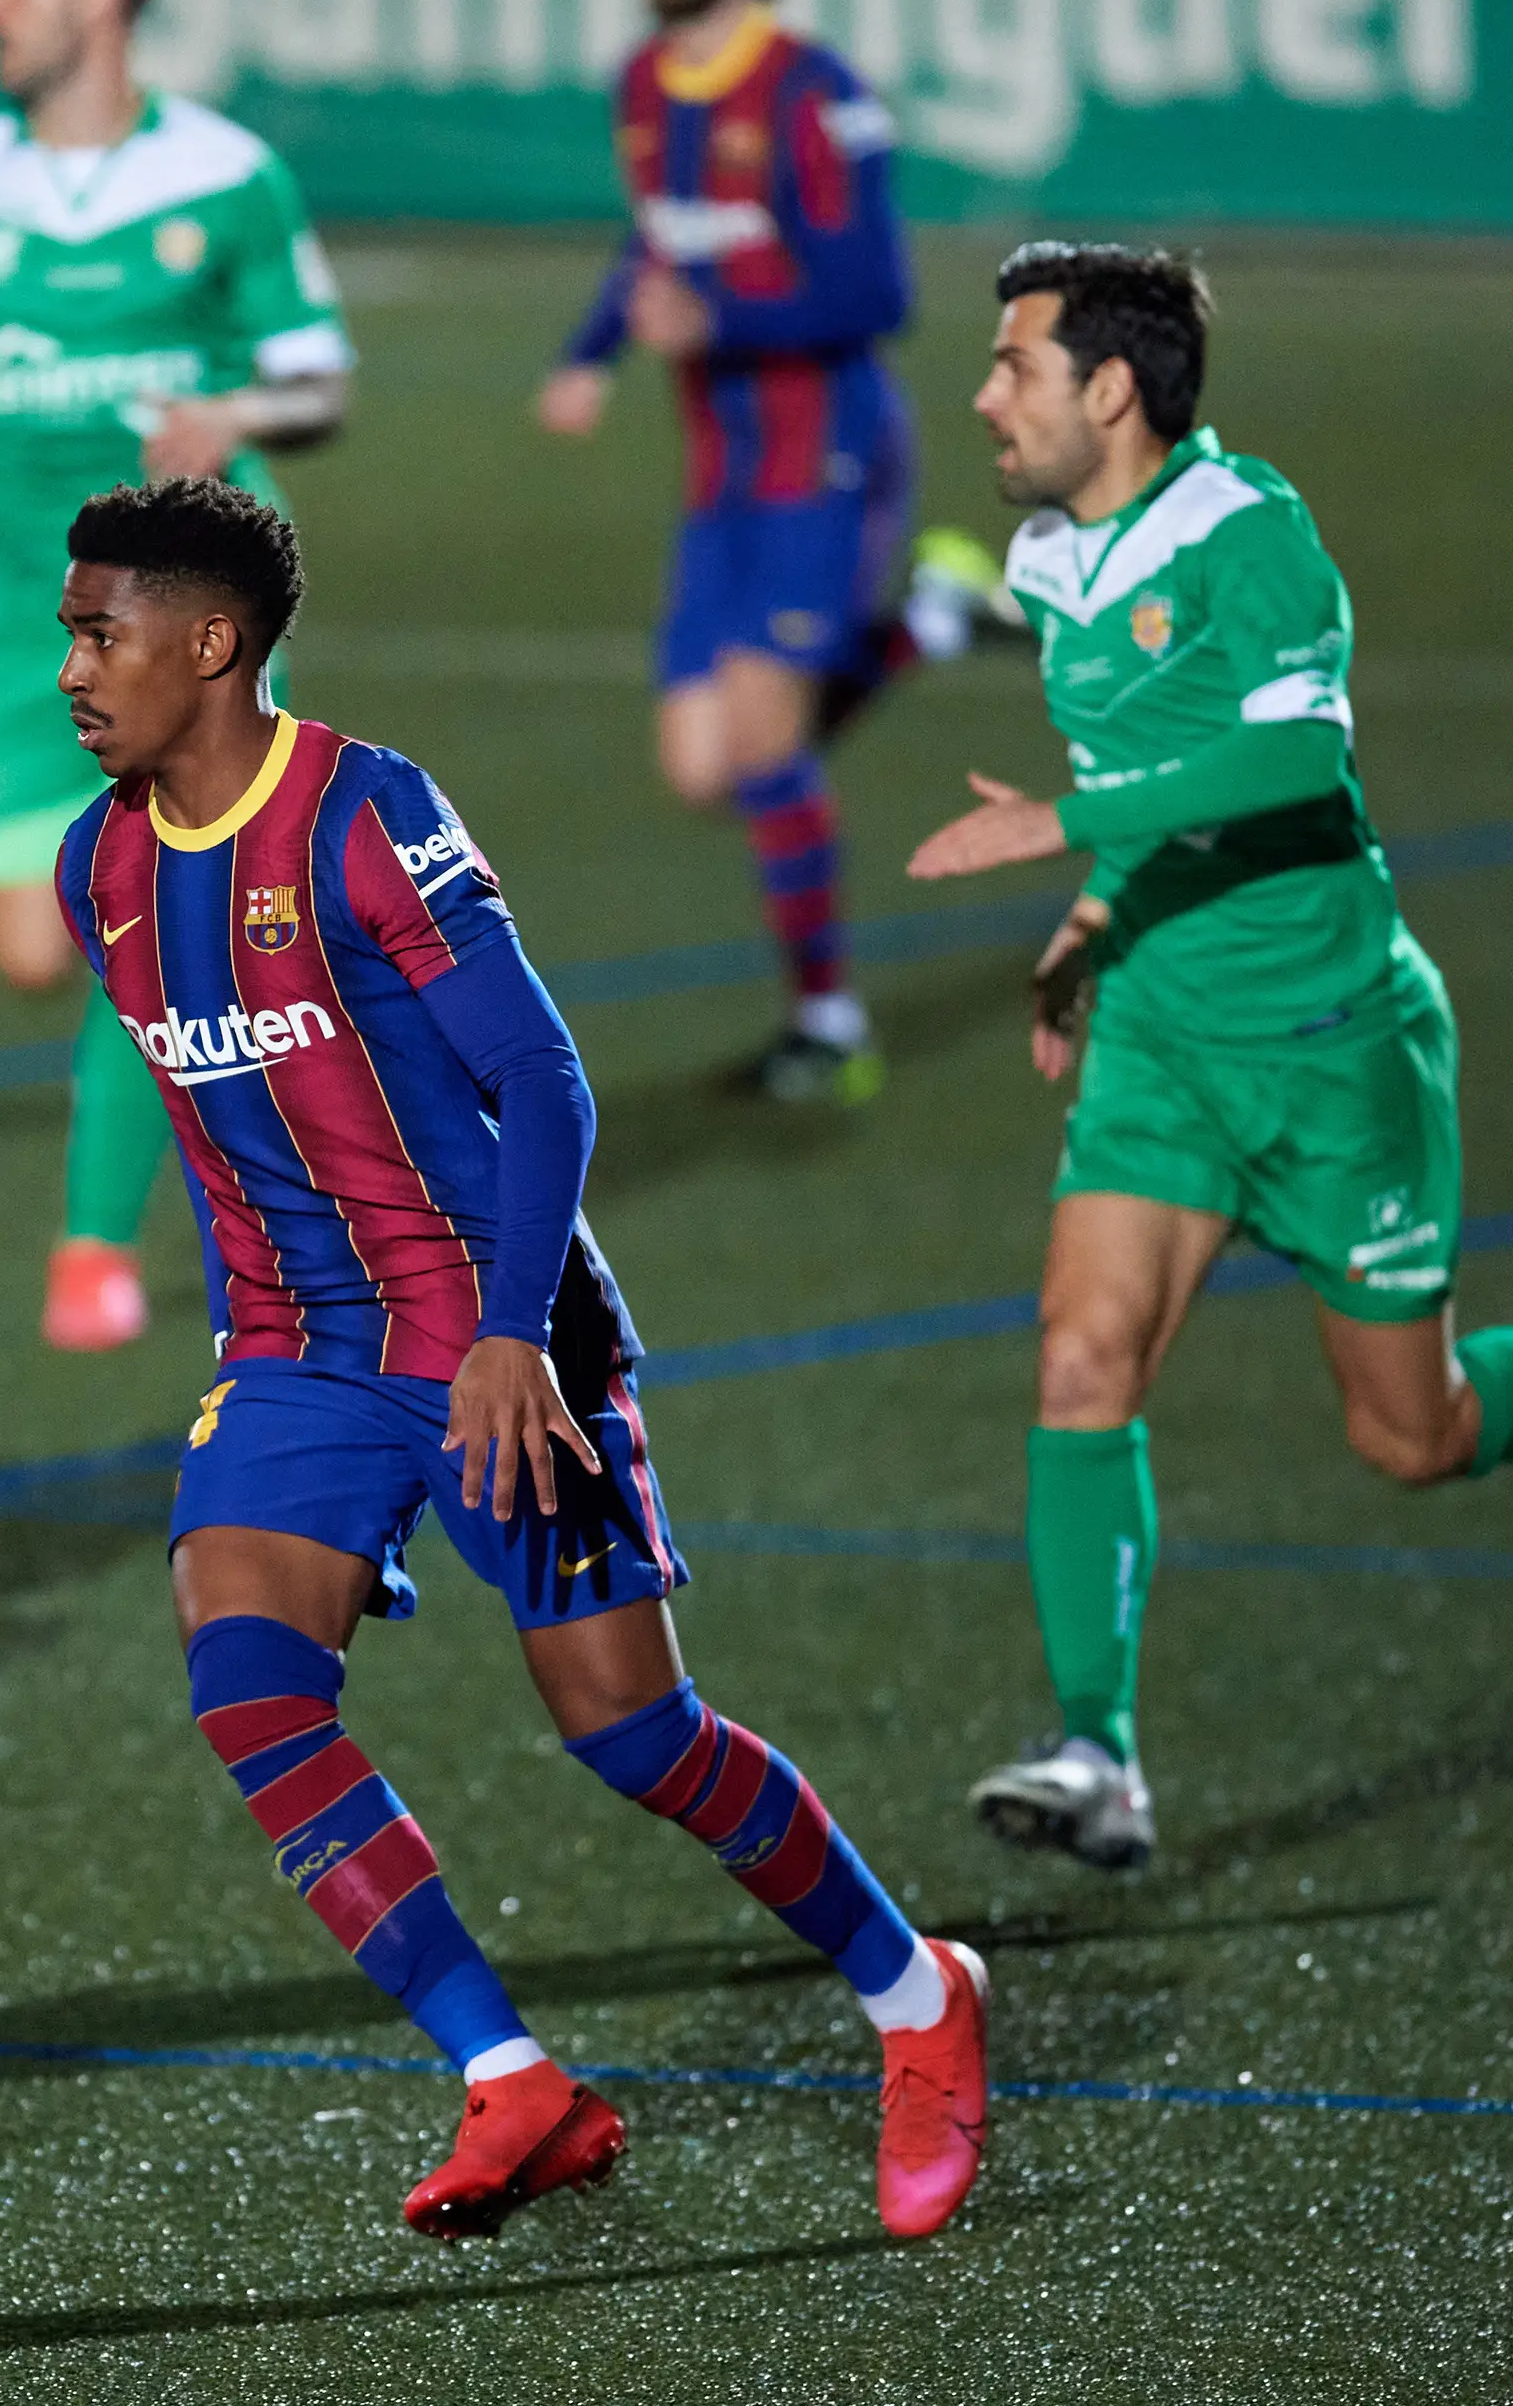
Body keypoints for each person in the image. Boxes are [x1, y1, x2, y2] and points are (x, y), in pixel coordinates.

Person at [52, 477, 990, 2242]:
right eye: (67, 636)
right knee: (250, 1691)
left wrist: (506, 1336)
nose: (72, 670)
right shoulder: (99, 860)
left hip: (500, 1332)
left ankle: (917, 1995)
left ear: (210, 642)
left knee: (632, 1733)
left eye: (99, 633)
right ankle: (513, 2081)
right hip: (298, 1354)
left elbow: (544, 1078)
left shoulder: (360, 812)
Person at [907, 243, 1513, 1869]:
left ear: (1112, 389)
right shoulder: (1049, 563)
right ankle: (1098, 1749)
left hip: (1333, 1052)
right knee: (1083, 1361)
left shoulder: (1257, 540)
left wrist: (1061, 827)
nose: (984, 394)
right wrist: (1096, 920)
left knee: (1412, 1436)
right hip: (1166, 1041)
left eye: (1013, 363)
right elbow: (1154, 765)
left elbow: (1295, 752)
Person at [0, 0, 354, 1351]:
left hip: (195, 624)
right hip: (26, 629)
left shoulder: (226, 176)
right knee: (28, 948)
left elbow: (321, 380)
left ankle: (94, 1246)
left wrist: (235, 405)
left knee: (156, 916)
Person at [536, 0, 997, 1107]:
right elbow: (659, 236)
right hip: (721, 470)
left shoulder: (813, 90)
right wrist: (592, 354)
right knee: (701, 767)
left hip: (826, 451)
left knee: (758, 742)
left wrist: (717, 320)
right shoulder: (641, 85)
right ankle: (934, 623)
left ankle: (830, 1023)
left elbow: (877, 290)